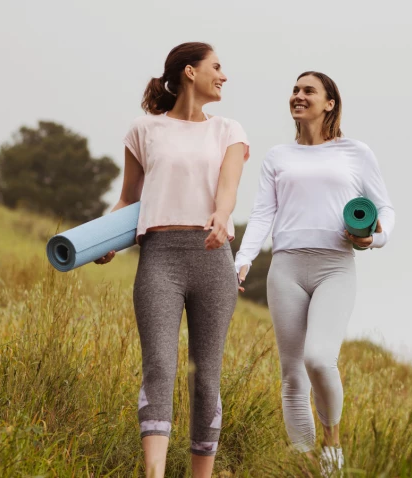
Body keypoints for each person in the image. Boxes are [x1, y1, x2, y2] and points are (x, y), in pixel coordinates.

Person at [95, 41, 249, 478]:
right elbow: (129, 199)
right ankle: (155, 474)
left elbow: (228, 190)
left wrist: (221, 215)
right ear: (188, 72)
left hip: (212, 258)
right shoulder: (143, 130)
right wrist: (104, 240)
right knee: (160, 365)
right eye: (216, 67)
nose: (223, 76)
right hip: (159, 260)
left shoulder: (229, 131)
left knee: (205, 377)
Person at [235, 71, 395, 473]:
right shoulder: (277, 157)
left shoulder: (356, 152)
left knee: (320, 359)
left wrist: (374, 238)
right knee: (292, 377)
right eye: (294, 90)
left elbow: (385, 210)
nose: (298, 95)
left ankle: (332, 446)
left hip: (335, 266)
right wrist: (242, 259)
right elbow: (261, 214)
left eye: (309, 91)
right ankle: (303, 464)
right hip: (286, 267)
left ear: (330, 103)